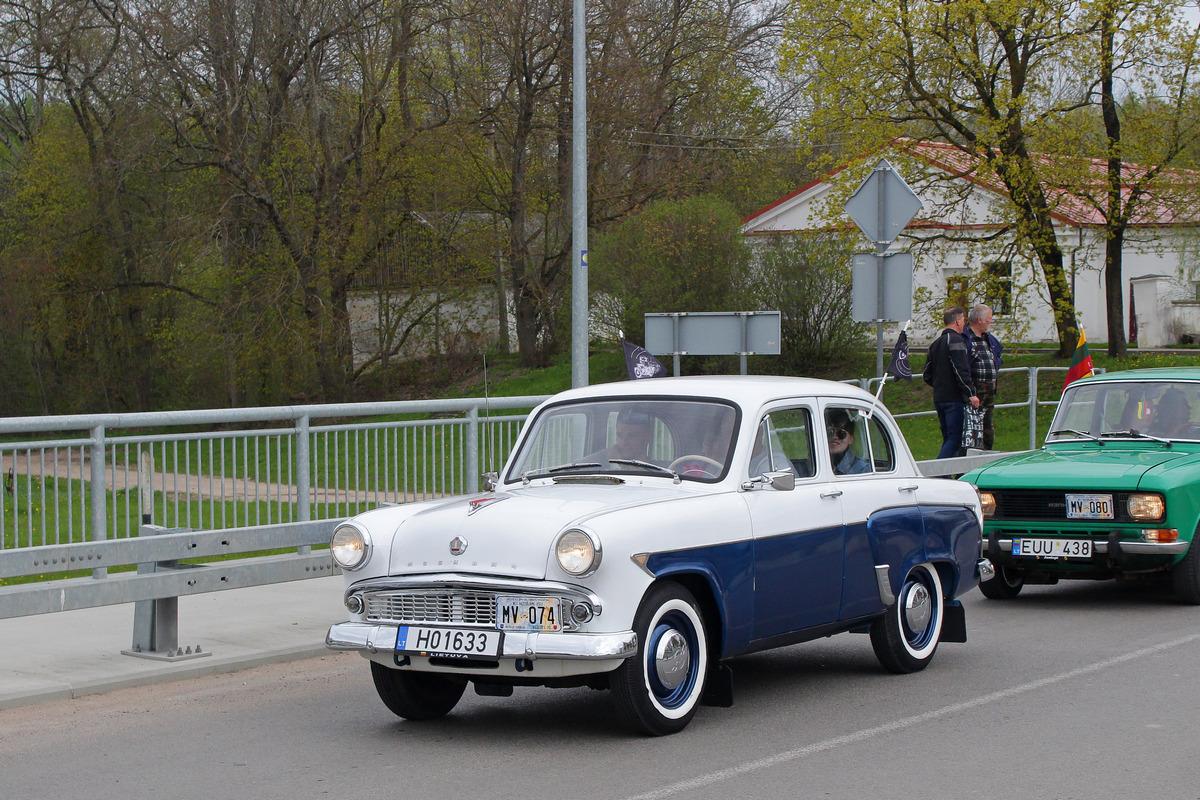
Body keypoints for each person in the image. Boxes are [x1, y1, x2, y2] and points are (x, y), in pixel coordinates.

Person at [923, 306, 980, 459]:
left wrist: (940, 385)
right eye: (963, 320)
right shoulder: (955, 341)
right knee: (954, 439)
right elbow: (961, 369)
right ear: (958, 321)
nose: (964, 324)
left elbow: (927, 374)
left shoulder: (935, 344)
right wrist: (971, 393)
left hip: (939, 398)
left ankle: (945, 474)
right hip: (954, 399)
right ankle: (938, 472)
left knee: (947, 438)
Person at [965, 304, 1004, 450]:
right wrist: (970, 391)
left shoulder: (988, 338)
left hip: (989, 388)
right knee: (972, 429)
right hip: (975, 389)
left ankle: (986, 455)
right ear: (980, 320)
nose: (991, 322)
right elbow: (963, 365)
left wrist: (995, 364)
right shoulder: (966, 338)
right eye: (989, 319)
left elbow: (997, 354)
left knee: (988, 426)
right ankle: (968, 461)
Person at [826, 408, 870, 475]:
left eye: (841, 433)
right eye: (830, 433)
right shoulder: (811, 466)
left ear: (851, 438)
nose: (834, 437)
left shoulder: (862, 469)